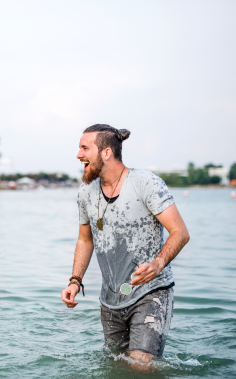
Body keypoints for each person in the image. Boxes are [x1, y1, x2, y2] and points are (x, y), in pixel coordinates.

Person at [61, 124, 190, 367]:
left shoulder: (146, 183)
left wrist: (158, 263)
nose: (79, 155)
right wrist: (75, 280)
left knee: (141, 365)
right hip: (110, 299)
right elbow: (85, 239)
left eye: (84, 148)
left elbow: (180, 232)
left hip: (151, 292)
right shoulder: (85, 191)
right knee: (116, 366)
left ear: (106, 152)